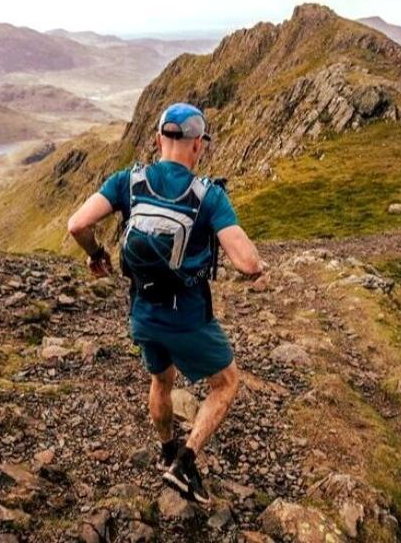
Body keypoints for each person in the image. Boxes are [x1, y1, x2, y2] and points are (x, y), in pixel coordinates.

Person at [66, 102, 265, 504]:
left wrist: (95, 253)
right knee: (226, 384)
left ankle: (166, 451)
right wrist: (260, 265)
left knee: (161, 381)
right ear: (198, 146)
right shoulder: (209, 196)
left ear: (159, 140)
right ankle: (185, 463)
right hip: (188, 316)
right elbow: (245, 263)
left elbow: (77, 224)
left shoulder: (128, 181)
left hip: (143, 312)